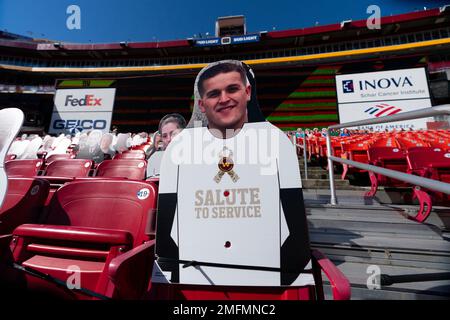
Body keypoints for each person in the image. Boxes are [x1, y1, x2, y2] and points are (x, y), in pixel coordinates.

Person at [153, 60, 312, 288]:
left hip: (270, 283)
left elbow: (295, 234)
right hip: (193, 282)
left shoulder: (276, 143)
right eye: (214, 93)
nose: (224, 98)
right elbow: (167, 235)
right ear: (202, 104)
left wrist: (273, 279)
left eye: (232, 89)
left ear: (248, 92)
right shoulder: (179, 149)